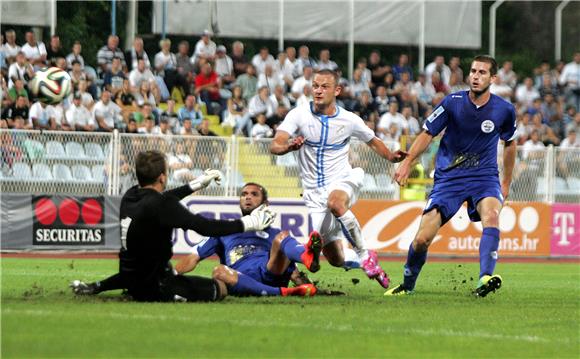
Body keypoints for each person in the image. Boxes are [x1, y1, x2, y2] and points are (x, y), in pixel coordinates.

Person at [385, 55, 517, 298]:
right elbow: (427, 133)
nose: (476, 76)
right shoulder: (452, 102)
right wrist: (407, 161)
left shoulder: (504, 110)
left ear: (493, 78)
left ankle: (484, 278)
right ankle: (407, 284)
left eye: (482, 72)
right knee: (422, 240)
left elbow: (509, 144)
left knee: (492, 215)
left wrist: (506, 183)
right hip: (449, 179)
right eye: (473, 71)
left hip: (484, 177)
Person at [70, 150, 276, 302]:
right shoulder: (163, 205)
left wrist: (195, 184)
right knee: (220, 288)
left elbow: (161, 198)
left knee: (138, 268)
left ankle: (98, 286)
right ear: (162, 176)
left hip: (131, 278)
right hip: (158, 286)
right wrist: (247, 223)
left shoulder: (130, 196)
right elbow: (205, 226)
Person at [270, 69, 407, 289]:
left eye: (324, 86)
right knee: (334, 260)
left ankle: (365, 254)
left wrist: (391, 157)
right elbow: (275, 144)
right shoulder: (298, 115)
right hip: (314, 195)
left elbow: (372, 140)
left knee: (335, 203)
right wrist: (288, 147)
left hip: (343, 179)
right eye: (315, 86)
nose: (318, 90)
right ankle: (364, 263)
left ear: (337, 90)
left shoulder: (349, 119)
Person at [175, 182, 321, 297]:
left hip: (270, 271)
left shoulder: (274, 233)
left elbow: (292, 271)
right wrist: (170, 276)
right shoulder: (224, 230)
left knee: (283, 237)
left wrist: (310, 287)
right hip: (239, 277)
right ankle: (282, 292)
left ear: (266, 204)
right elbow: (193, 257)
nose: (248, 197)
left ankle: (307, 256)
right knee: (219, 272)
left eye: (254, 194)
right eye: (244, 194)